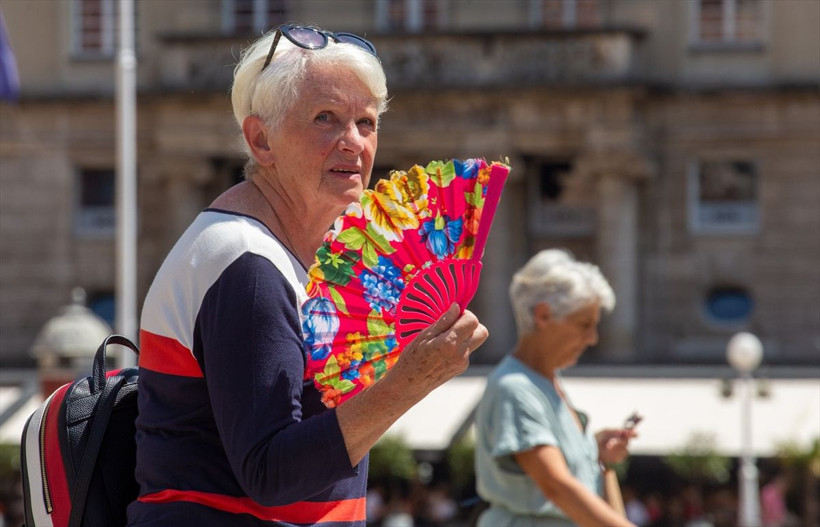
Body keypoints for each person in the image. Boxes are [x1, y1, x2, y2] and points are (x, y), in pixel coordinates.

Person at [127, 24, 488, 527]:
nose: (353, 143)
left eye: (366, 122)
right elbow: (271, 473)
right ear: (261, 140)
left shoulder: (281, 250)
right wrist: (408, 382)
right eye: (326, 119)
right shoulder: (246, 262)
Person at [474, 249, 637, 527]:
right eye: (584, 325)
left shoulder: (545, 383)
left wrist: (595, 455)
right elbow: (556, 486)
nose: (592, 338)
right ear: (544, 315)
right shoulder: (515, 388)